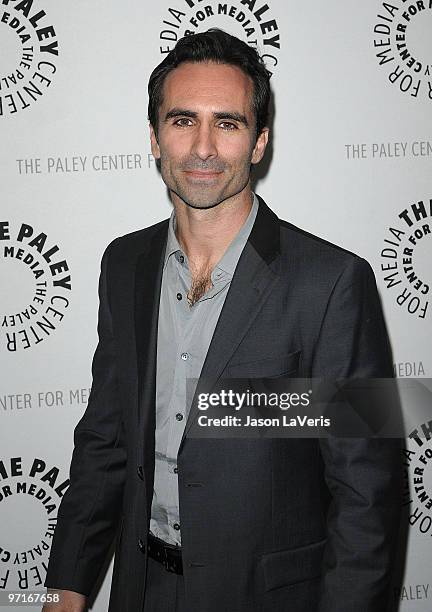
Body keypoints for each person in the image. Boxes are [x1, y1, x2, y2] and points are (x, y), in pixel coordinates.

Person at [43, 28, 401, 612]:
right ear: (155, 138)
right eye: (183, 121)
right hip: (141, 590)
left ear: (259, 142)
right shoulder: (124, 264)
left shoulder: (335, 282)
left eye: (227, 123)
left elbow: (368, 496)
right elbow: (105, 441)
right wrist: (64, 590)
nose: (203, 147)